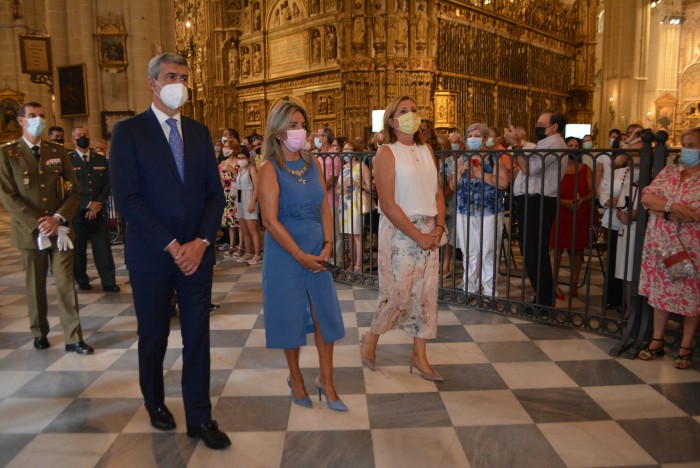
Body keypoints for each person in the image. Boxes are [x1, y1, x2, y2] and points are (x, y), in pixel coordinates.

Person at [109, 54, 229, 450]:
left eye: (183, 77)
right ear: (152, 83)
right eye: (170, 77)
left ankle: (199, 416)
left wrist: (202, 241)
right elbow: (127, 198)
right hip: (152, 254)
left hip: (197, 253)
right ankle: (155, 401)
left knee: (197, 335)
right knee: (155, 334)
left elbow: (215, 195)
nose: (179, 83)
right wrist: (172, 244)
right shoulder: (128, 132)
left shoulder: (198, 131)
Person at [257, 101, 347, 411]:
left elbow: (324, 205)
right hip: (285, 252)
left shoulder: (313, 163)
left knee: (325, 316)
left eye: (302, 124)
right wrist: (298, 254)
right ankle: (296, 378)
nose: (300, 131)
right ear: (278, 131)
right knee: (290, 316)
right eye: (293, 125)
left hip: (316, 250)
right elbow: (269, 221)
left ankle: (327, 381)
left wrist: (326, 244)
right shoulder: (269, 168)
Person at [360, 95, 446, 381]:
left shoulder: (427, 151)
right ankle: (371, 339)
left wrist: (439, 226)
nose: (411, 114)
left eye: (414, 109)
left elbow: (438, 193)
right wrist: (418, 236)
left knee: (425, 296)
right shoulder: (387, 152)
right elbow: (386, 202)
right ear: (393, 121)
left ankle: (419, 356)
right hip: (400, 231)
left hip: (429, 229)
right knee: (398, 294)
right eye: (404, 111)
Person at [0, 102, 94, 355]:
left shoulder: (57, 151)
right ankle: (39, 332)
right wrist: (38, 223)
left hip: (60, 230)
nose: (38, 120)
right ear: (20, 120)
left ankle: (73, 336)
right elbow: (8, 196)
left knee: (65, 284)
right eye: (32, 116)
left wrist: (57, 218)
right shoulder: (8, 153)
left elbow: (75, 190)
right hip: (30, 232)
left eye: (41, 116)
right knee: (36, 285)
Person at [637, 127, 700, 369]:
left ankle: (686, 345)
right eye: (684, 144)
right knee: (660, 290)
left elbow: (694, 215)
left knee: (690, 293)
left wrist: (663, 209)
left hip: (690, 246)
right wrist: (673, 207)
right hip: (661, 243)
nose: (686, 149)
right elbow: (648, 197)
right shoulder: (672, 171)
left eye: (692, 144)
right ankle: (657, 340)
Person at [504, 111, 568, 306]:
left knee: (535, 251)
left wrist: (516, 145)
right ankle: (542, 297)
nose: (537, 126)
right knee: (532, 250)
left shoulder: (553, 143)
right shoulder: (547, 143)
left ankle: (544, 300)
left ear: (554, 126)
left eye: (541, 123)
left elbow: (529, 169)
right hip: (532, 200)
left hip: (538, 200)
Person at [452, 123, 511, 299]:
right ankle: (469, 288)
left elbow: (503, 183)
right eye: (470, 136)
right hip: (465, 210)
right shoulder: (461, 159)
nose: (472, 139)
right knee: (469, 251)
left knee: (488, 251)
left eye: (477, 136)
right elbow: (452, 186)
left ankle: (489, 292)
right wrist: (460, 173)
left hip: (489, 210)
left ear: (485, 139)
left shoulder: (495, 158)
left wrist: (480, 174)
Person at [68, 126, 119, 293]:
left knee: (103, 249)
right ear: (73, 140)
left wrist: (97, 204)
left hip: (99, 211)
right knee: (79, 250)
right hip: (77, 212)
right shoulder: (68, 161)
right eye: (79, 135)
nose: (83, 137)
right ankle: (82, 279)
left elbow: (108, 184)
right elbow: (67, 187)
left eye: (85, 134)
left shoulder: (100, 160)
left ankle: (108, 281)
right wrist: (87, 204)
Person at [550, 137, 593, 300]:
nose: (573, 148)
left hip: (578, 212)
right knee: (556, 250)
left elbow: (592, 192)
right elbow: (549, 191)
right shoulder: (556, 168)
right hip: (560, 211)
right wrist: (563, 202)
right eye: (570, 145)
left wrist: (583, 199)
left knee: (577, 252)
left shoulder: (585, 169)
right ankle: (554, 285)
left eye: (576, 146)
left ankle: (573, 286)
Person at [336, 142, 372, 272]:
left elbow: (370, 188)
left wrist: (356, 183)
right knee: (349, 235)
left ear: (354, 151)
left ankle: (358, 264)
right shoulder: (343, 167)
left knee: (357, 235)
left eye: (348, 149)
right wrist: (341, 190)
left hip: (356, 203)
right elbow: (336, 189)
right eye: (343, 150)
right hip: (344, 203)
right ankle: (351, 261)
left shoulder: (362, 167)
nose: (345, 152)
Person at [235, 147, 262, 265]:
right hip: (240, 199)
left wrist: (252, 202)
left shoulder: (252, 170)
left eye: (243, 158)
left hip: (249, 198)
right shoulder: (240, 170)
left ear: (247, 158)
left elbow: (257, 187)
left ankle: (257, 254)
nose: (240, 160)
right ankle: (248, 252)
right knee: (244, 229)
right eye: (239, 158)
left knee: (252, 230)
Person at [218, 141, 240, 258]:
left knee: (239, 222)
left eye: (227, 147)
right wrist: (222, 178)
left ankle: (242, 245)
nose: (225, 149)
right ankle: (232, 245)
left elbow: (242, 177)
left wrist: (232, 170)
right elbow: (220, 183)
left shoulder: (238, 161)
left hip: (238, 192)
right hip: (227, 193)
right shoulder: (222, 163)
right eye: (224, 147)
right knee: (230, 222)